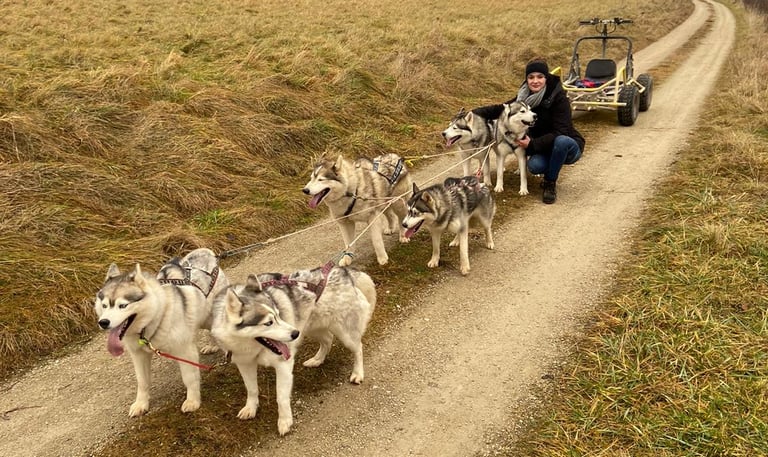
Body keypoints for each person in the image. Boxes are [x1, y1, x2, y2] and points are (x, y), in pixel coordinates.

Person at [513, 59, 584, 204]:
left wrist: (532, 145)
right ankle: (551, 166)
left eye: (540, 77)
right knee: (534, 166)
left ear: (546, 78)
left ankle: (550, 183)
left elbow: (561, 131)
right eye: (531, 77)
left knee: (561, 141)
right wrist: (479, 114)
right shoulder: (523, 98)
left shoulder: (559, 98)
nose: (535, 81)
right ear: (526, 80)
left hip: (568, 146)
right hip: (544, 148)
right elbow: (503, 109)